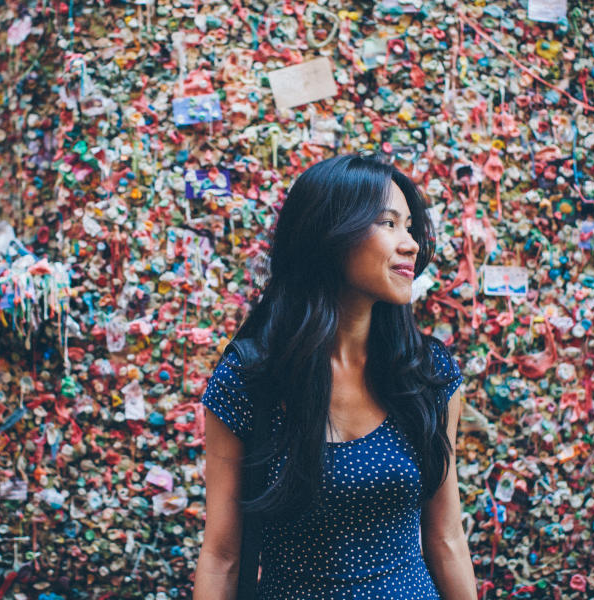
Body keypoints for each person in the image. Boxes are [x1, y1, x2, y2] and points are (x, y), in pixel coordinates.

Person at [193, 154, 477, 599]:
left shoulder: (427, 375)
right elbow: (222, 556)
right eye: (388, 223)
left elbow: (447, 540)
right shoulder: (250, 379)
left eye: (409, 226)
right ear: (329, 234)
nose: (410, 244)